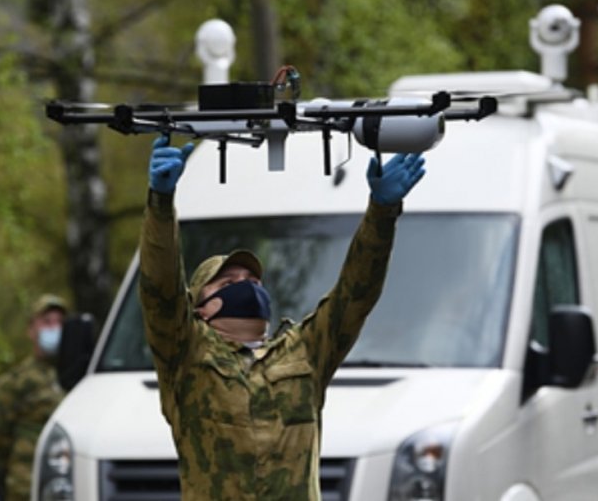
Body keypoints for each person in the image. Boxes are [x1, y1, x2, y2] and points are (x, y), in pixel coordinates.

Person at [139, 135, 425, 500]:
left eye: (252, 281)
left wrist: (382, 213)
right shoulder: (186, 353)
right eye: (228, 282)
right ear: (199, 309)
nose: (245, 287)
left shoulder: (304, 350)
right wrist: (161, 204)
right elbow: (160, 288)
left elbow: (356, 294)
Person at [0, 294, 68, 500]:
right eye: (47, 322)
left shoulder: (83, 376)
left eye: (60, 322)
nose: (54, 328)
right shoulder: (15, 381)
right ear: (31, 330)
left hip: (72, 482)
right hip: (26, 486)